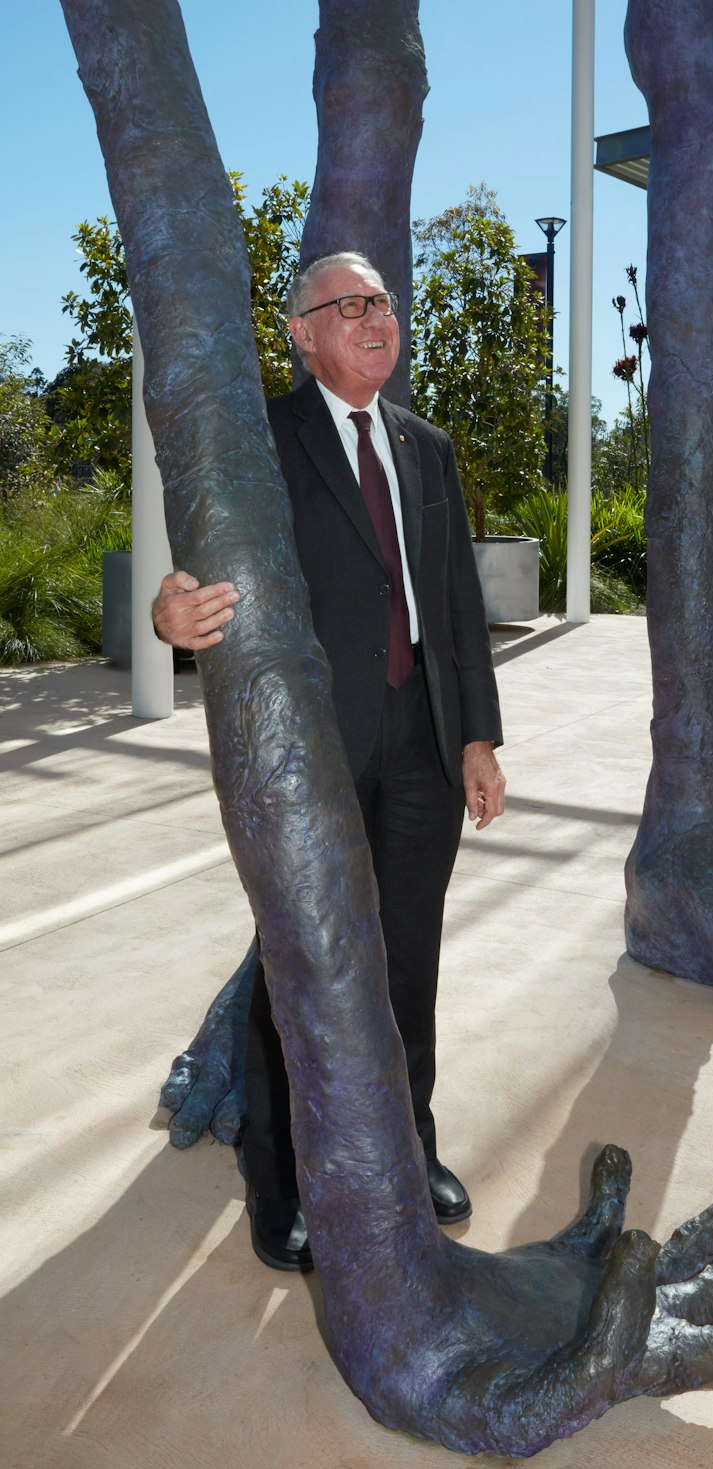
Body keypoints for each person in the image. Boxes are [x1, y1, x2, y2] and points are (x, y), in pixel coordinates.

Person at [152, 251, 505, 1270]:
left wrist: (476, 736)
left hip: (423, 749)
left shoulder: (428, 448)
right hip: (308, 754)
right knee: (293, 966)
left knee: (407, 958)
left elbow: (455, 609)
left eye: (382, 301)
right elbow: (196, 572)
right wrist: (168, 615)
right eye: (346, 305)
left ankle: (409, 1148)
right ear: (301, 334)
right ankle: (279, 1182)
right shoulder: (262, 437)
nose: (372, 317)